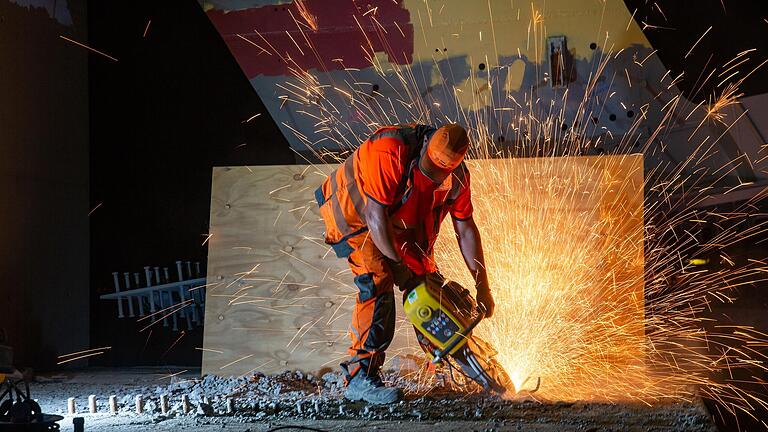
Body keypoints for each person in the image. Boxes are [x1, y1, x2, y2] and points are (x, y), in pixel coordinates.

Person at [315, 123, 495, 404]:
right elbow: (374, 216)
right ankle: (360, 376)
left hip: (395, 217)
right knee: (379, 279)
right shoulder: (389, 150)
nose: (432, 177)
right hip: (354, 212)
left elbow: (466, 229)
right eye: (428, 169)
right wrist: (399, 266)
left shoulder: (458, 178)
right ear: (424, 147)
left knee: (427, 284)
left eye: (438, 175)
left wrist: (483, 285)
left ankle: (454, 354)